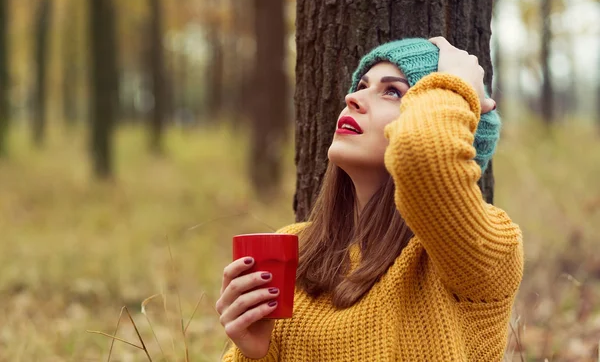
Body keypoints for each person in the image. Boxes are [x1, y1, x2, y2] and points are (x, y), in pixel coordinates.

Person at [216, 37, 524, 361]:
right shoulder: (292, 250)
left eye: (392, 91)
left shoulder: (481, 250)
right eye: (362, 85)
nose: (353, 98)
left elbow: (422, 156)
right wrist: (253, 353)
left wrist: (456, 82)